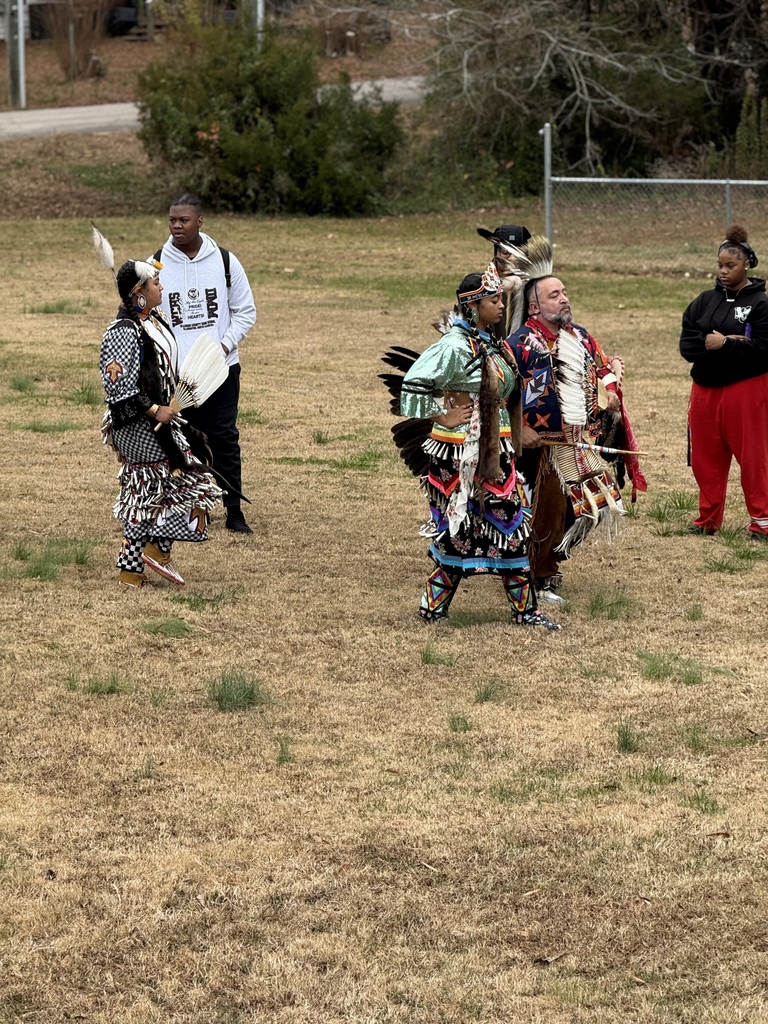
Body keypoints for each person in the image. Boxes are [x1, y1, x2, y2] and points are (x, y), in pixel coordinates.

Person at [398, 264, 561, 630]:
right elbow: (411, 389)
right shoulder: (454, 346)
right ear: (473, 307)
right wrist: (443, 414)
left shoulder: (490, 343)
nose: (501, 305)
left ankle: (510, 611)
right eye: (493, 299)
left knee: (505, 524)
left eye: (501, 297)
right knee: (464, 528)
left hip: (495, 451)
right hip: (460, 455)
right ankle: (447, 608)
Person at [503, 236, 628, 604]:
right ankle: (536, 576)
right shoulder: (520, 344)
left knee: (593, 504)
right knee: (549, 511)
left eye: (565, 292)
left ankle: (549, 561)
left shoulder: (581, 337)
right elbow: (502, 394)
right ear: (534, 305)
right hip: (543, 447)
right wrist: (519, 427)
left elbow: (602, 370)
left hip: (580, 442)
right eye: (554, 295)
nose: (564, 299)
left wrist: (612, 384)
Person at [100, 259, 223, 589]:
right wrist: (155, 409)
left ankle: (150, 553)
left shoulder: (153, 321)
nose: (162, 287)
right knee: (147, 490)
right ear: (139, 293)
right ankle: (134, 568)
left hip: (163, 422)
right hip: (135, 425)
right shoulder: (122, 333)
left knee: (188, 481)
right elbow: (118, 388)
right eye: (155, 283)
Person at [154, 193, 257, 534]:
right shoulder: (156, 264)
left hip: (221, 369)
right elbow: (149, 316)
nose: (176, 226)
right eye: (172, 220)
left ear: (200, 221)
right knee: (186, 440)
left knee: (224, 438)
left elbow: (246, 312)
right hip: (178, 374)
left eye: (184, 220)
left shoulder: (225, 261)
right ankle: (195, 507)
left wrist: (222, 347)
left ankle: (234, 509)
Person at [680, 224, 768, 538]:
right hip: (704, 389)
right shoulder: (703, 302)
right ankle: (708, 519)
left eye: (730, 265)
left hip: (746, 391)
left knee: (753, 457)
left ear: (747, 264)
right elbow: (688, 346)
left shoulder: (760, 304)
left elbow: (762, 351)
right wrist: (723, 343)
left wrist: (728, 344)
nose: (723, 271)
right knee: (706, 458)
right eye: (720, 265)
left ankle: (762, 522)